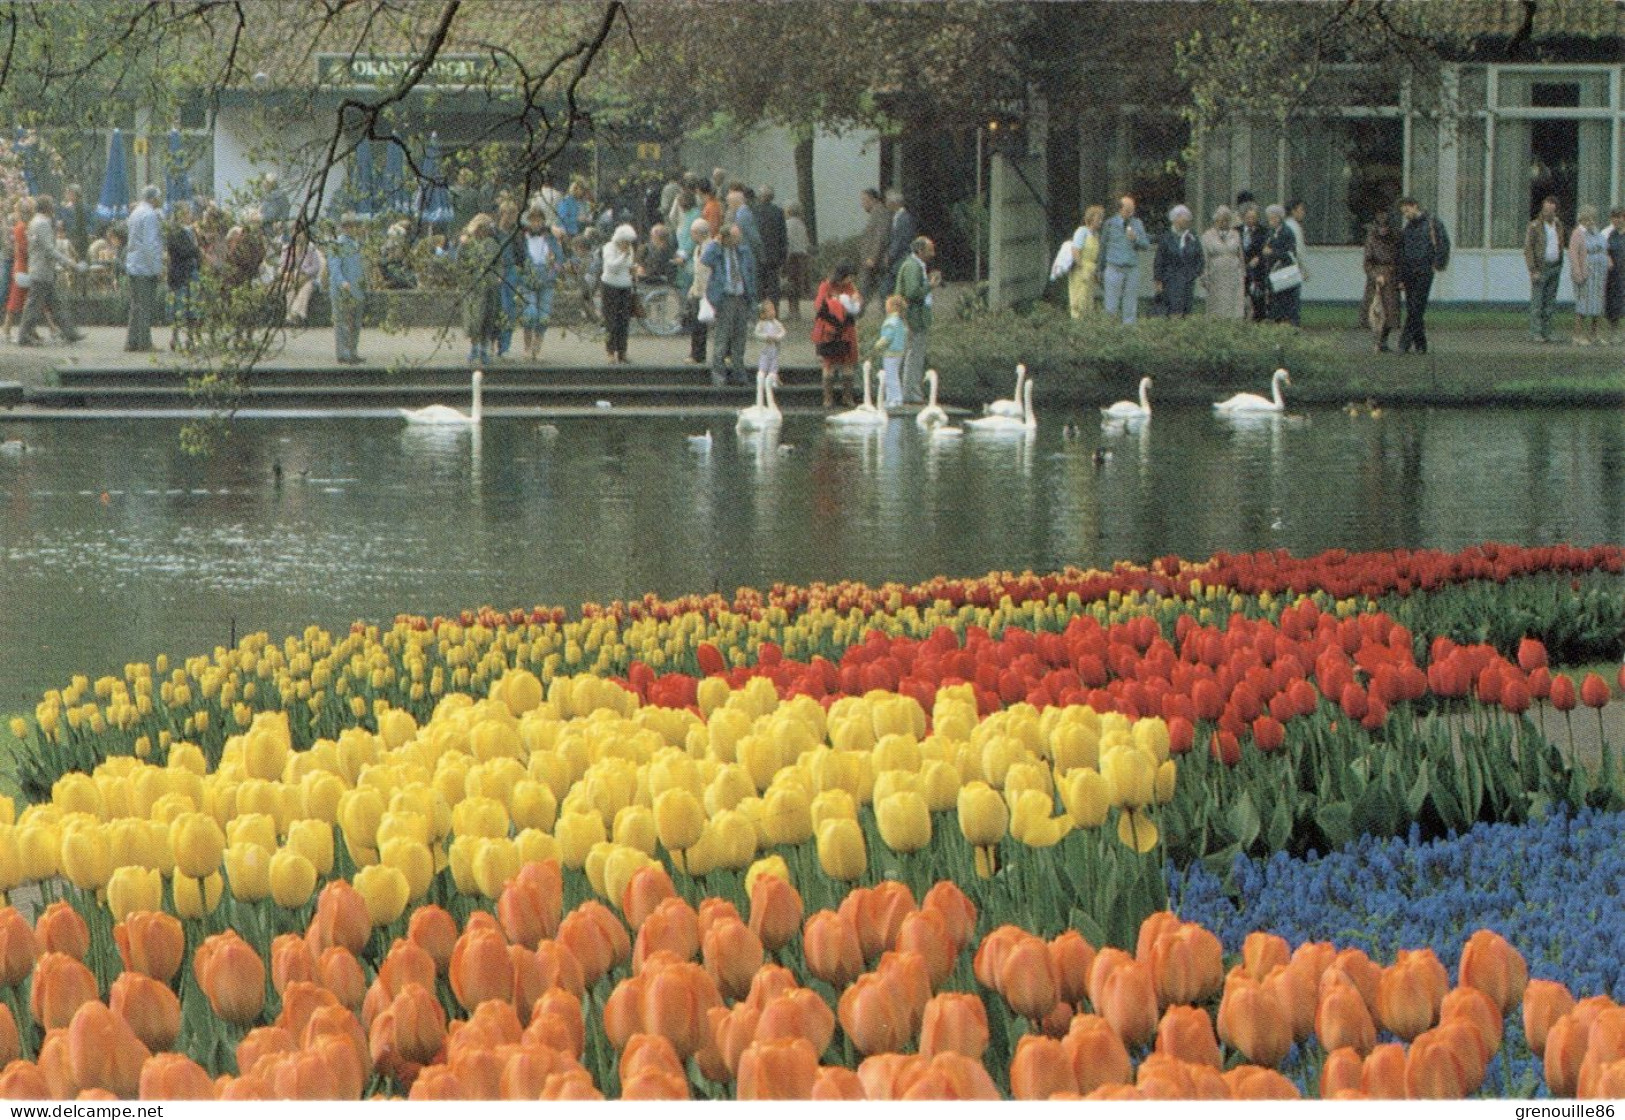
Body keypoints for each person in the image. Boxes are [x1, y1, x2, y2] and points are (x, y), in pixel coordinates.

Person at [16, 196, 85, 345]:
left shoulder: (34, 222)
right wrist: (70, 262)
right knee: (34, 306)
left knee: (56, 304)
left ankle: (69, 332)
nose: (54, 207)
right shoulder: (42, 224)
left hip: (40, 269)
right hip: (42, 271)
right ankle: (23, 335)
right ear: (47, 208)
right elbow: (49, 249)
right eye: (52, 205)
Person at [702, 222, 757, 385]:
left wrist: (752, 297)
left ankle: (739, 372)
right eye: (734, 237)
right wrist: (715, 243)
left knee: (740, 336)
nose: (738, 239)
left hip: (741, 297)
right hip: (725, 297)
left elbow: (750, 273)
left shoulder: (743, 251)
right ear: (725, 237)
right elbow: (705, 259)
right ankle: (718, 373)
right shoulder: (717, 251)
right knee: (723, 336)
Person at [1395, 195, 1449, 354]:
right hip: (1410, 271)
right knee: (1414, 307)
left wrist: (1437, 264)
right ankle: (1421, 344)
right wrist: (1401, 277)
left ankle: (1404, 343)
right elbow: (1402, 253)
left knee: (1416, 306)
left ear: (1415, 206)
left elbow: (1443, 244)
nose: (1406, 215)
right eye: (1403, 213)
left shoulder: (1433, 223)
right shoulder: (1408, 228)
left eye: (1406, 211)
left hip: (1424, 270)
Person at [894, 234, 937, 403]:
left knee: (915, 355)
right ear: (919, 251)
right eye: (930, 250)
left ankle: (911, 391)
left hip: (918, 317)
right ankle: (911, 393)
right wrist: (930, 285)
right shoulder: (912, 267)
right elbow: (912, 292)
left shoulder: (917, 265)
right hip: (914, 318)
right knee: (914, 356)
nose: (933, 254)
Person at [812, 262, 861, 407]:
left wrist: (855, 300)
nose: (850, 281)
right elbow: (819, 305)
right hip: (831, 328)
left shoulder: (850, 287)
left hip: (846, 328)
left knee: (848, 362)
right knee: (829, 364)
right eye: (848, 277)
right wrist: (837, 302)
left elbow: (857, 303)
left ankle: (848, 397)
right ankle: (828, 399)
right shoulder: (826, 286)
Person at [516, 203, 562, 361]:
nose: (536, 223)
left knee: (543, 317)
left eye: (539, 220)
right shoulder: (522, 237)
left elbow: (559, 258)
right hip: (528, 278)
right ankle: (527, 347)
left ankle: (537, 347)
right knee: (530, 314)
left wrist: (554, 270)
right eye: (533, 220)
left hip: (546, 278)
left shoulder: (550, 237)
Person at [1099, 194, 1150, 324]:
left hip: (1132, 269)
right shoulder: (1109, 224)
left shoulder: (1137, 223)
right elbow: (1103, 246)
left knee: (1130, 305)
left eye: (1132, 210)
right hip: (1113, 268)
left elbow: (1145, 245)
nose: (1131, 213)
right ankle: (1109, 332)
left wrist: (1136, 238)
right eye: (1128, 210)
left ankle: (1128, 333)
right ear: (1120, 209)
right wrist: (1100, 269)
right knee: (1111, 305)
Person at [1524, 195, 1566, 343]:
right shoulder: (1534, 226)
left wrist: (1561, 263)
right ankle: (1535, 332)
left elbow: (1560, 243)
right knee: (1538, 301)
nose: (1548, 213)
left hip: (1555, 266)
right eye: (1546, 210)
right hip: (1540, 268)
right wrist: (1532, 269)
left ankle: (1547, 331)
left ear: (1556, 211)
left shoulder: (1558, 225)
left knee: (1550, 301)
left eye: (1552, 211)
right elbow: (1528, 249)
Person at [1360, 207, 1400, 353]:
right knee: (1375, 311)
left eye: (1385, 227)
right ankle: (1376, 340)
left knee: (1390, 312)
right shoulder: (1371, 239)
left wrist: (1396, 276)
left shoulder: (1395, 238)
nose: (1383, 230)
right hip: (1376, 279)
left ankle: (1383, 341)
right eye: (1380, 226)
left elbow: (1399, 259)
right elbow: (1367, 262)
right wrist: (1375, 275)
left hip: (1391, 278)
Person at [327, 213, 365, 364]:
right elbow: (334, 268)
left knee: (355, 323)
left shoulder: (356, 244)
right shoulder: (337, 244)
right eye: (348, 225)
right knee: (342, 322)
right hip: (342, 291)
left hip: (357, 290)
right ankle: (343, 353)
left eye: (354, 225)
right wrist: (342, 282)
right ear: (342, 227)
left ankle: (353, 351)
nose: (352, 228)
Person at [1569, 204, 1610, 346]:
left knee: (1597, 305)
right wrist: (1578, 273)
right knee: (1583, 305)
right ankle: (1577, 336)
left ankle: (1594, 335)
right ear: (1582, 219)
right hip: (1585, 274)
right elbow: (1573, 255)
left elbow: (1604, 248)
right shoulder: (1577, 234)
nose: (1591, 222)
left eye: (1593, 219)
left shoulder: (1596, 233)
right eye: (1588, 219)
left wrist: (1607, 260)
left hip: (1599, 274)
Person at [600, 222, 640, 365]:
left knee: (624, 320)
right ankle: (610, 351)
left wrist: (634, 269)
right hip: (610, 285)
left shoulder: (629, 249)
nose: (627, 244)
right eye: (625, 241)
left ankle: (622, 351)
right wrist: (623, 255)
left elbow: (628, 266)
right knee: (611, 320)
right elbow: (612, 267)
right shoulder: (608, 248)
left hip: (625, 286)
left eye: (629, 242)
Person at [1154, 204, 1203, 317]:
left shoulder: (1192, 236)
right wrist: (1158, 280)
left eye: (1188, 219)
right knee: (1173, 311)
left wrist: (1195, 273)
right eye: (1184, 218)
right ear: (1175, 219)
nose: (1187, 221)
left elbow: (1199, 257)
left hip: (1188, 280)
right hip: (1170, 280)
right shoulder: (1166, 237)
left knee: (1187, 310)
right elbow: (1159, 260)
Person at [165, 201, 201, 352]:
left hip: (192, 272)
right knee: (179, 308)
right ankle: (175, 338)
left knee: (192, 308)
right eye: (187, 213)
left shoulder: (190, 231)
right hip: (180, 274)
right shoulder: (175, 231)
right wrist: (195, 250)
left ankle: (190, 339)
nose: (189, 215)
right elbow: (183, 251)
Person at [1199, 205, 1245, 319]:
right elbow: (1204, 257)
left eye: (1227, 219)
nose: (1224, 222)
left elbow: (1241, 255)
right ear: (1216, 220)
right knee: (1217, 304)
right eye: (1221, 220)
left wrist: (1243, 273)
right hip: (1216, 274)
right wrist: (1204, 276)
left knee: (1233, 303)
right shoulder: (1207, 235)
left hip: (1233, 273)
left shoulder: (1235, 234)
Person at [1259, 203, 1300, 326]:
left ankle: (1288, 323)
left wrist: (1272, 252)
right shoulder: (1271, 232)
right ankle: (1276, 321)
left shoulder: (1287, 232)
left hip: (1284, 272)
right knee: (1274, 300)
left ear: (1279, 218)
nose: (1270, 220)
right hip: (1273, 272)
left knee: (1286, 301)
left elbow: (1290, 253)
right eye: (1269, 218)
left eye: (1273, 218)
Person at [281, 226, 325, 329]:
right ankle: (293, 317)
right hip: (291, 278)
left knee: (306, 288)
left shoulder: (311, 248)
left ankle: (295, 313)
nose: (298, 235)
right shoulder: (286, 249)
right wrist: (291, 276)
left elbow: (316, 267)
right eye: (296, 232)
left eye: (301, 233)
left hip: (309, 278)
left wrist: (304, 274)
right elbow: (283, 267)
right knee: (289, 288)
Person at [1066, 205, 1105, 319]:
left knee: (1088, 303)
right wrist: (1081, 268)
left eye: (1101, 219)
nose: (1100, 222)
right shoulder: (1082, 232)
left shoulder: (1096, 235)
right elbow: (1076, 251)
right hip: (1080, 270)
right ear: (1091, 218)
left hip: (1091, 271)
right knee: (1079, 301)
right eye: (1098, 219)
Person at [873, 293, 909, 409]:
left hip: (891, 353)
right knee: (893, 375)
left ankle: (896, 399)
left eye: (887, 305)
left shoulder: (890, 322)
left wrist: (878, 345)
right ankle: (890, 398)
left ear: (892, 307)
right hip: (899, 352)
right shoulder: (900, 321)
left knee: (891, 377)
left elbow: (887, 338)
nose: (886, 308)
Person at [685, 217, 713, 365]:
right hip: (697, 291)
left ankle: (698, 354)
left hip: (708, 292)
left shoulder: (711, 247)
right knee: (697, 324)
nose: (691, 236)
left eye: (693, 233)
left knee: (702, 325)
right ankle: (696, 354)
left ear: (698, 233)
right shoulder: (698, 248)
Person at [5, 197, 32, 342]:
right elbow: (22, 249)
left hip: (22, 266)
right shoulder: (21, 228)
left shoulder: (22, 227)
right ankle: (7, 328)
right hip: (22, 267)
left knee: (21, 299)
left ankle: (9, 328)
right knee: (16, 299)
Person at [858, 187, 890, 311]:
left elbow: (880, 237)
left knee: (865, 288)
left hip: (874, 261)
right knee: (867, 290)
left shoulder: (880, 213)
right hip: (872, 260)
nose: (862, 204)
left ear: (873, 200)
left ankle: (854, 317)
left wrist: (873, 257)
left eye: (864, 200)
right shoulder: (877, 213)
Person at [755, 186, 787, 306]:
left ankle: (760, 312)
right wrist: (783, 257)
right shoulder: (778, 212)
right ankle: (774, 311)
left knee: (759, 287)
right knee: (773, 286)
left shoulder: (754, 211)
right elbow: (782, 236)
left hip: (758, 255)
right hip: (774, 256)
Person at [1239, 203, 1270, 321]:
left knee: (1258, 298)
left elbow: (1266, 249)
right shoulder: (1236, 231)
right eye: (1248, 217)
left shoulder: (1264, 231)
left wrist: (1259, 258)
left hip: (1258, 271)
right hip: (1242, 269)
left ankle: (1259, 320)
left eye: (1254, 217)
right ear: (1243, 218)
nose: (1251, 220)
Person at [884, 190, 918, 290]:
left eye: (887, 201)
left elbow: (899, 240)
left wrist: (890, 255)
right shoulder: (897, 217)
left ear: (894, 203)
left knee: (887, 288)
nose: (886, 204)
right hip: (899, 257)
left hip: (902, 257)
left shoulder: (904, 218)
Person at [783, 202, 811, 321]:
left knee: (791, 283)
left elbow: (787, 241)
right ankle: (797, 310)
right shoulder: (802, 225)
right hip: (802, 256)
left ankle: (792, 311)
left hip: (792, 257)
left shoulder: (788, 224)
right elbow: (806, 242)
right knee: (798, 283)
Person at [754, 298, 785, 389]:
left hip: (774, 350)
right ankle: (761, 380)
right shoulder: (761, 324)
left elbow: (783, 332)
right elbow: (756, 334)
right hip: (764, 350)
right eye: (769, 310)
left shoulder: (776, 323)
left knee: (774, 366)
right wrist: (765, 337)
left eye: (773, 310)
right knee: (763, 365)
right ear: (763, 314)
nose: (772, 312)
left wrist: (777, 337)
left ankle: (773, 380)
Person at [1605, 206, 1625, 345]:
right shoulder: (1610, 234)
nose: (1617, 220)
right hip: (1613, 275)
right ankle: (1614, 332)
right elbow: (1605, 250)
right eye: (1614, 218)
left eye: (1619, 217)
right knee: (1613, 304)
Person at [1285, 199, 1310, 290]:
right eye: (1301, 210)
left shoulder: (1284, 225)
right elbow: (1298, 250)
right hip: (1293, 268)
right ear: (1293, 211)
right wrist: (1304, 269)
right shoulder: (1295, 228)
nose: (1303, 213)